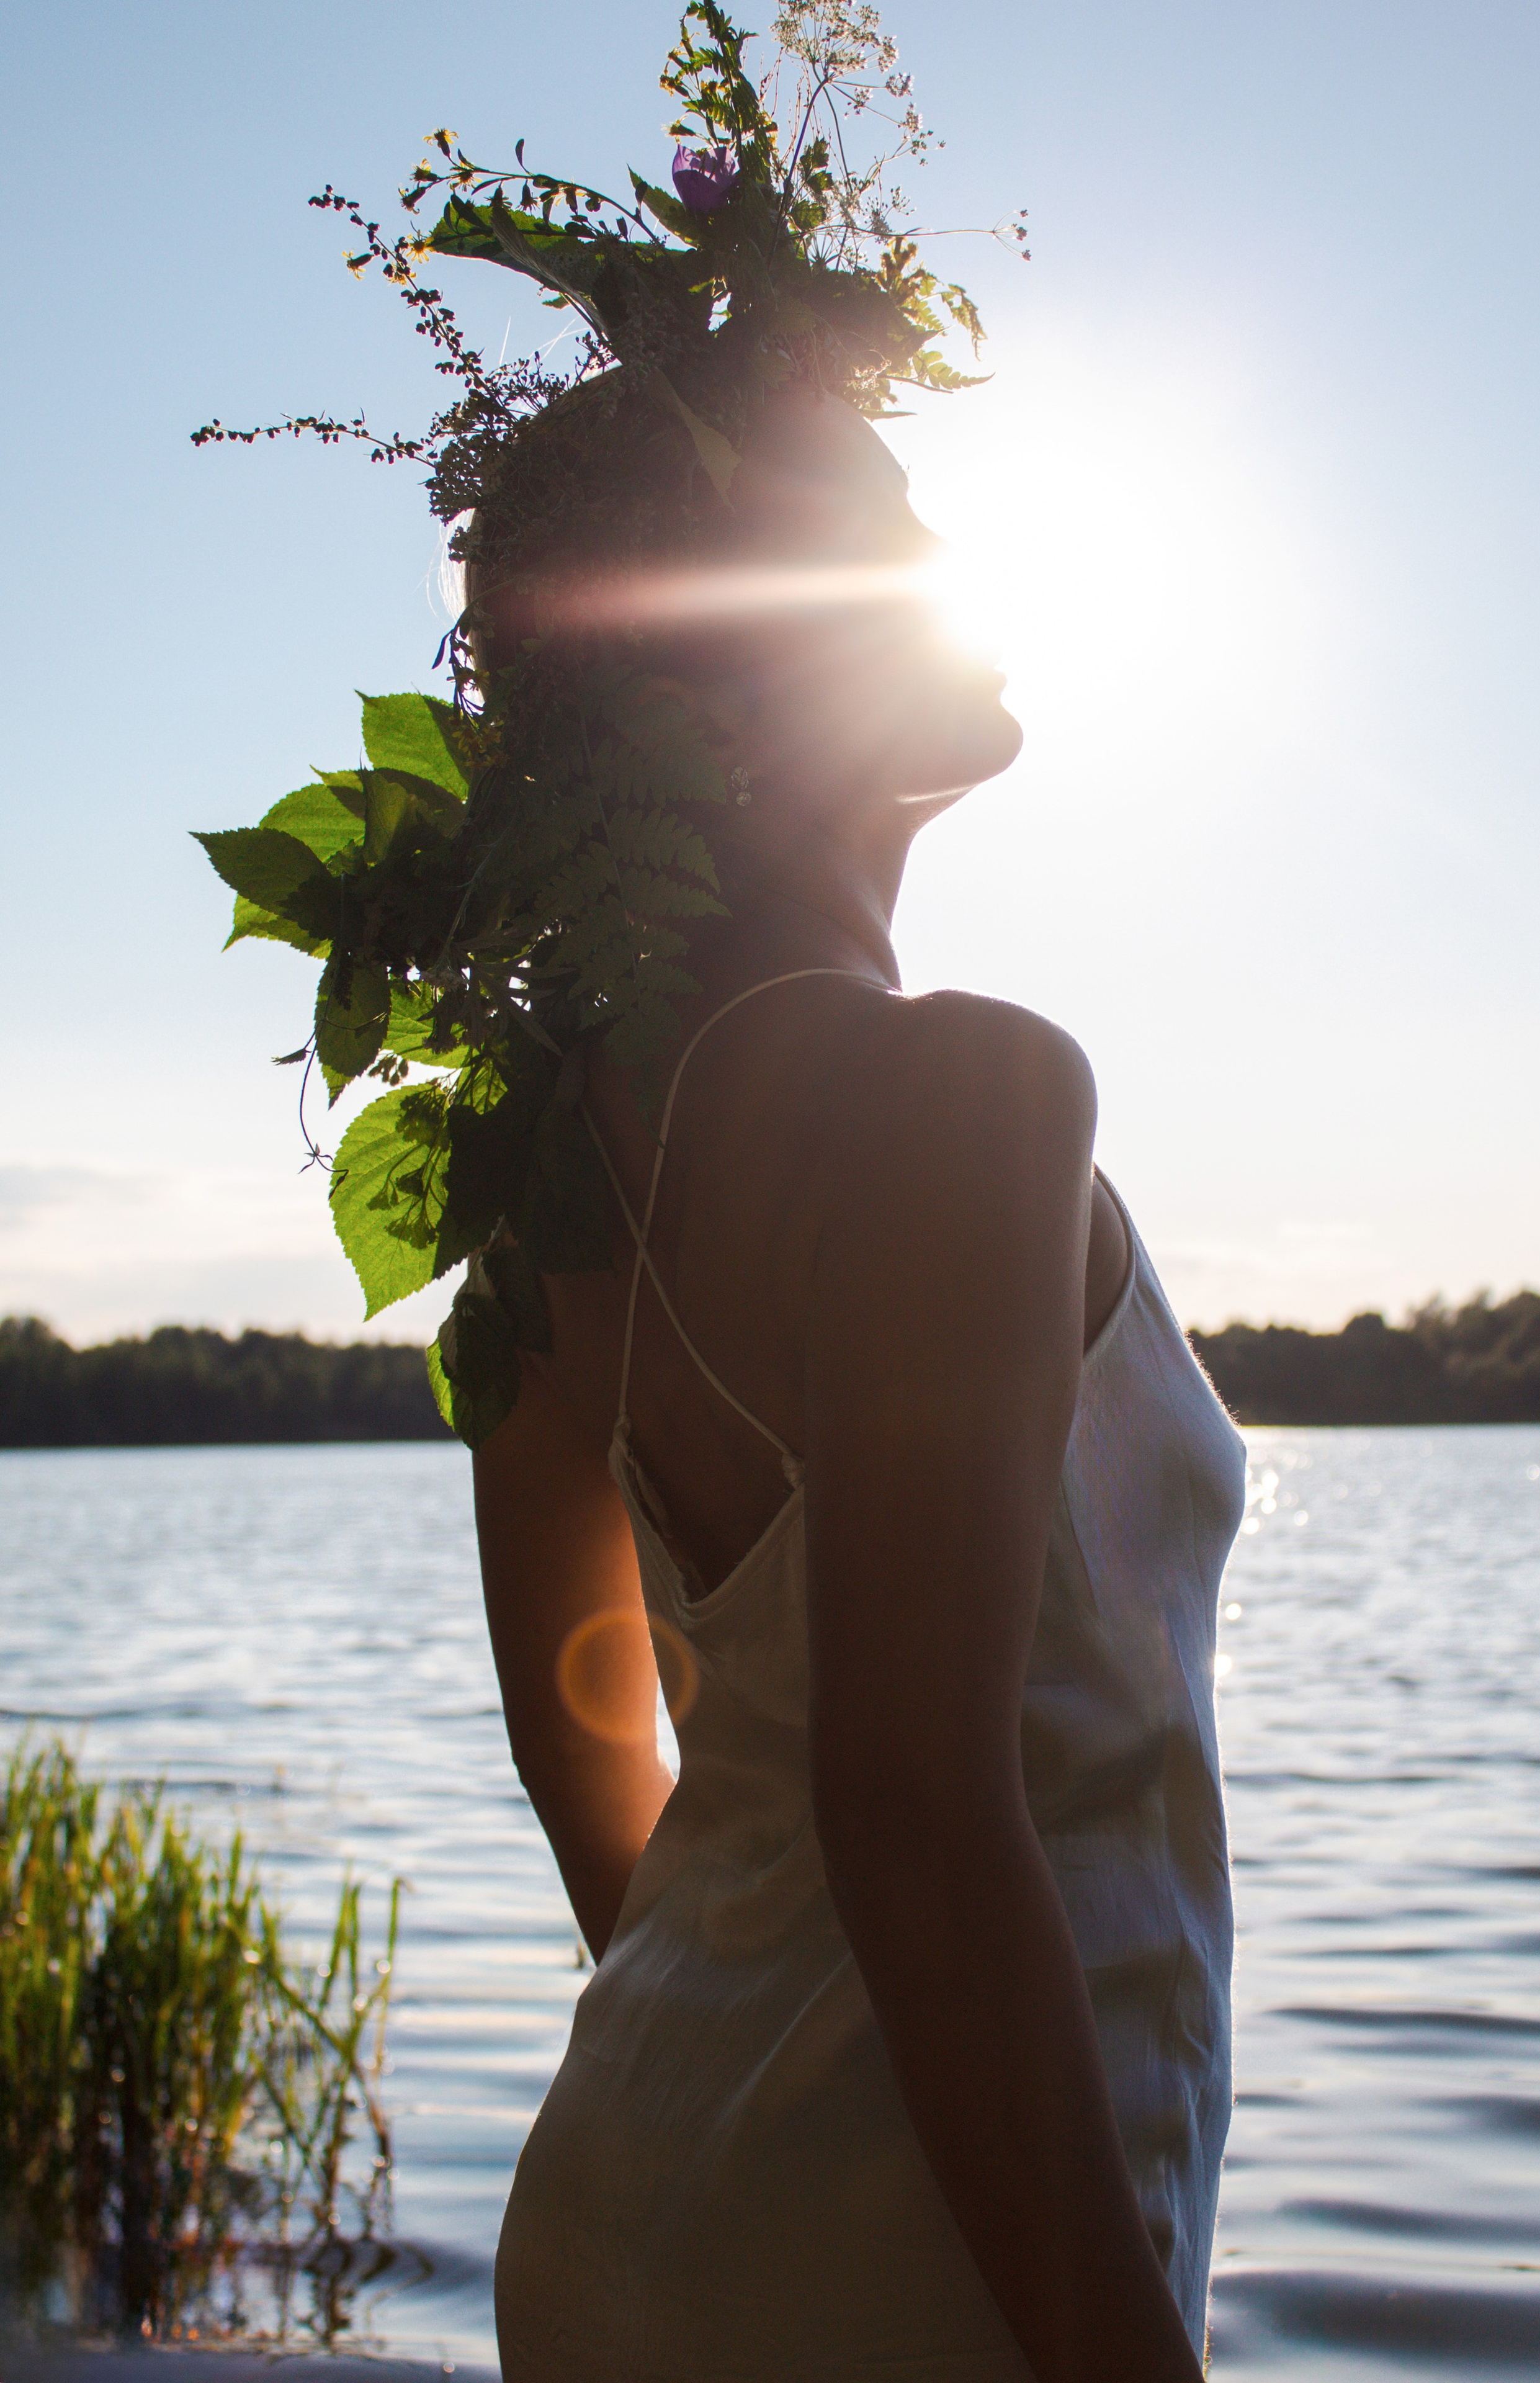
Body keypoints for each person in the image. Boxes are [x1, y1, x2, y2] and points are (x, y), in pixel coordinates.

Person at [472, 382, 1248, 2382]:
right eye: (878, 536)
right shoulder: (967, 1094)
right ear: (725, 703)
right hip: (926, 2269)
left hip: (637, 2197)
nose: (939, 571)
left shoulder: (543, 1186)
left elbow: (595, 1780)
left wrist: (743, 2053)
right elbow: (911, 1806)